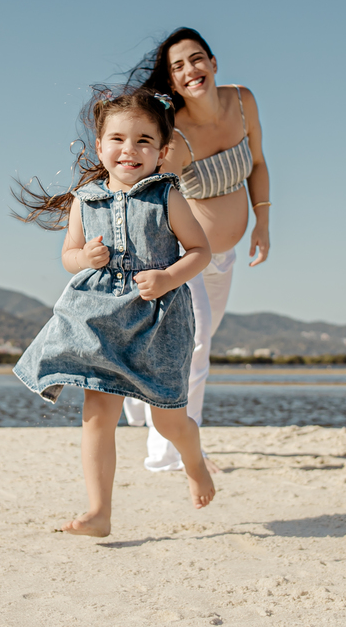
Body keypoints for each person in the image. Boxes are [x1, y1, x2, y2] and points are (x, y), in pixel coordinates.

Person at [13, 85, 216, 537]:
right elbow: (69, 256)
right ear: (100, 146)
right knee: (97, 412)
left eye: (144, 141)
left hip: (156, 320)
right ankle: (99, 511)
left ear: (162, 151)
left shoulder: (166, 196)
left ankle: (194, 460)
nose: (130, 149)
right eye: (118, 139)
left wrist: (168, 277)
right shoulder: (85, 200)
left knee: (168, 419)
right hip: (101, 317)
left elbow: (200, 250)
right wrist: (84, 258)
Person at [120, 28, 271, 473]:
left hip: (225, 258)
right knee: (196, 347)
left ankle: (138, 391)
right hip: (185, 260)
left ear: (213, 62)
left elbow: (257, 162)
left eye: (196, 58)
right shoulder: (177, 135)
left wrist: (262, 221)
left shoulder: (242, 101)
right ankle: (171, 454)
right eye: (178, 67)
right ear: (171, 81)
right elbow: (148, 194)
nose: (191, 70)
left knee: (195, 343)